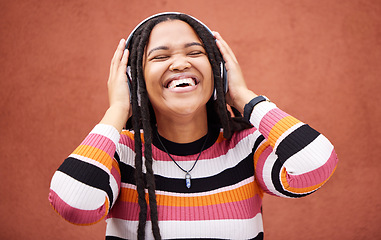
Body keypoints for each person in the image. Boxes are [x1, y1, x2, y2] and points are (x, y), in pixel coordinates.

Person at [49, 12, 338, 240]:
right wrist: (118, 109)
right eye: (160, 57)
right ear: (135, 82)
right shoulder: (121, 153)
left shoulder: (246, 146)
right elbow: (74, 205)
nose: (179, 64)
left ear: (218, 70)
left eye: (195, 53)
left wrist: (242, 97)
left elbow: (315, 166)